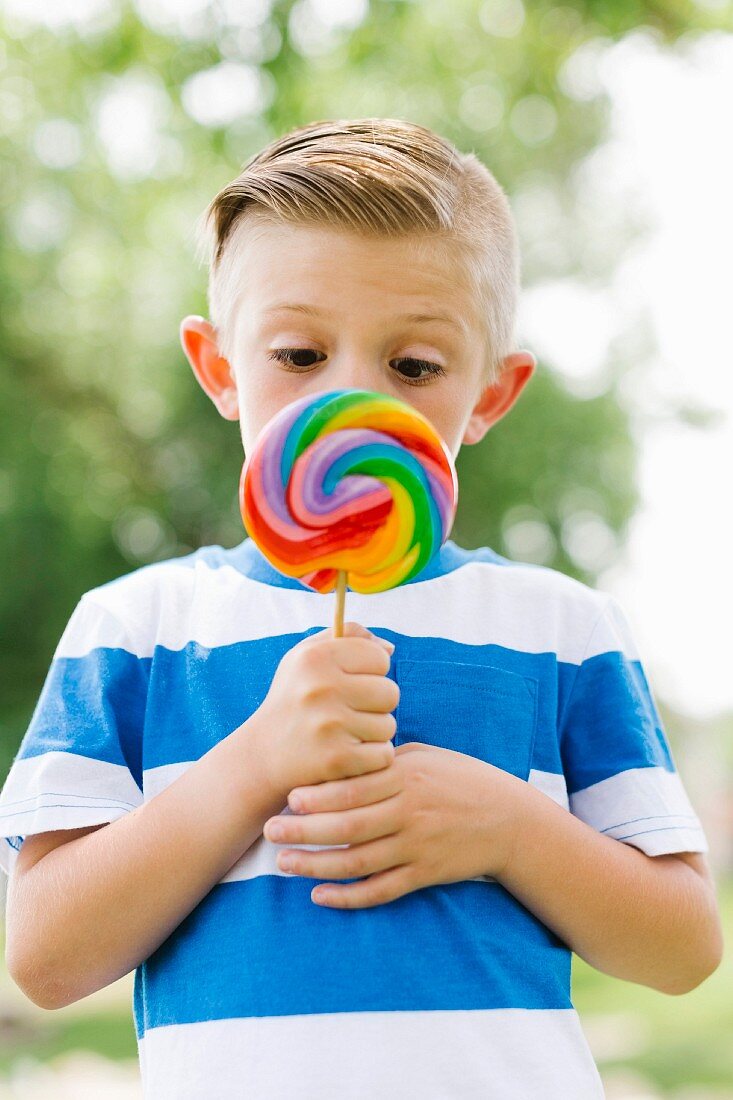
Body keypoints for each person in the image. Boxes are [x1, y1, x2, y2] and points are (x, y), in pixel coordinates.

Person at [0, 118, 722, 1099]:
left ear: (490, 393)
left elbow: (681, 945)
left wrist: (509, 828)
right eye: (298, 353)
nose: (350, 396)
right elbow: (44, 953)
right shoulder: (135, 630)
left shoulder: (560, 629)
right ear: (218, 367)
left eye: (413, 367)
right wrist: (254, 762)